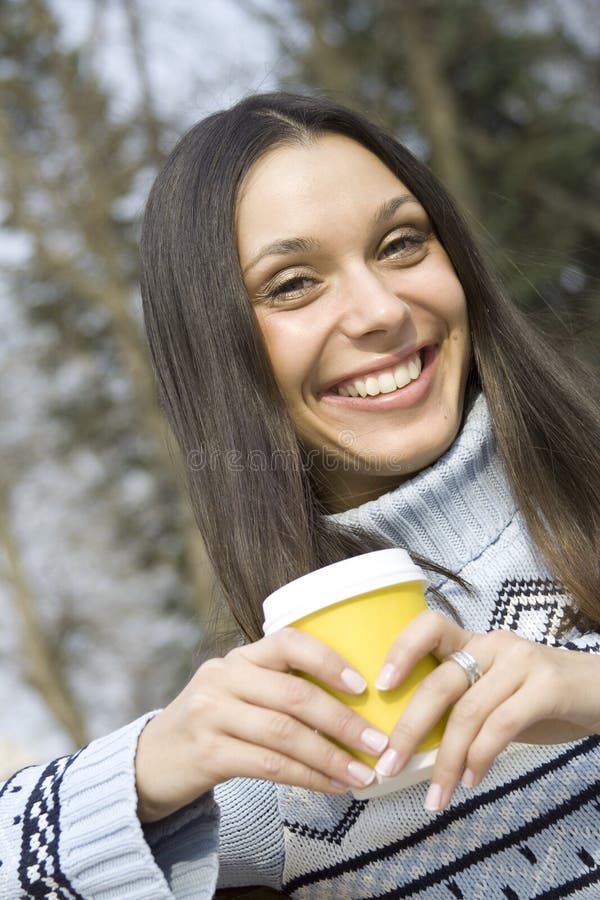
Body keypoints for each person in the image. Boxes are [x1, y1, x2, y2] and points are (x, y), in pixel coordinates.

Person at [1, 91, 599, 900]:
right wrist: (146, 767)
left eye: (400, 243)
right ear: (219, 350)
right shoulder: (281, 759)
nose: (382, 310)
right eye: (291, 285)